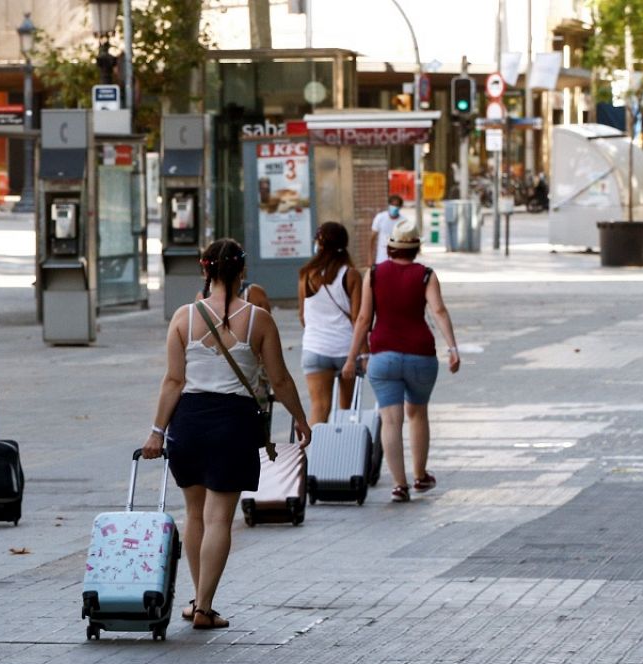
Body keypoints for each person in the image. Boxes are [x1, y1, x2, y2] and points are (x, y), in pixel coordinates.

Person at [142, 239, 309, 631]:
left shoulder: (183, 317)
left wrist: (155, 432)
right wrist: (301, 418)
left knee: (194, 515)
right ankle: (204, 607)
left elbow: (173, 380)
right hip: (234, 424)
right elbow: (280, 379)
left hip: (189, 422)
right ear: (242, 272)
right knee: (220, 519)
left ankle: (198, 600)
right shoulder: (259, 319)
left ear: (206, 271)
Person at [343, 218, 461, 502]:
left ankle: (399, 485)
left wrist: (350, 358)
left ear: (391, 247)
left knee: (391, 420)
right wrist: (452, 348)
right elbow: (439, 311)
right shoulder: (426, 275)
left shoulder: (374, 274)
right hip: (421, 355)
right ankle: (420, 476)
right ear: (416, 247)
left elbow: (362, 319)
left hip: (383, 356)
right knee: (417, 413)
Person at [296, 221, 362, 424]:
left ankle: (316, 454)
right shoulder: (351, 275)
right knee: (346, 410)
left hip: (315, 348)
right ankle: (344, 453)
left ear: (319, 244)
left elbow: (303, 317)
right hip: (346, 350)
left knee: (319, 408)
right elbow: (358, 318)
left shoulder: (306, 274)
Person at [369, 195, 405, 265]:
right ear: (389, 205)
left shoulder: (403, 221)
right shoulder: (380, 218)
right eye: (392, 204)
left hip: (397, 259)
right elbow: (372, 238)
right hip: (381, 259)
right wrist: (370, 257)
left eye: (397, 205)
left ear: (400, 207)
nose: (394, 207)